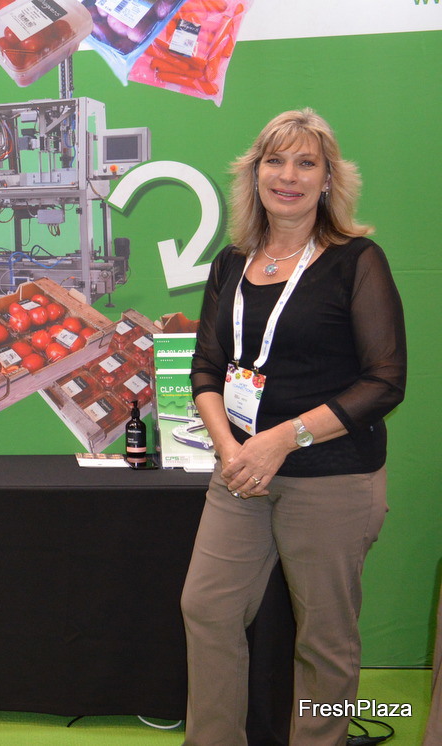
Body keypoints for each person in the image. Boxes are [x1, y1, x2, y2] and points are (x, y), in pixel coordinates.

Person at [181, 109, 407, 745]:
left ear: (328, 179)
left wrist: (282, 440)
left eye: (306, 163)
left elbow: (385, 380)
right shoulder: (231, 263)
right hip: (241, 474)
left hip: (331, 477)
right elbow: (207, 368)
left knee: (324, 637)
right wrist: (231, 449)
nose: (289, 176)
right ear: (254, 174)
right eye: (275, 161)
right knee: (207, 608)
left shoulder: (356, 261)